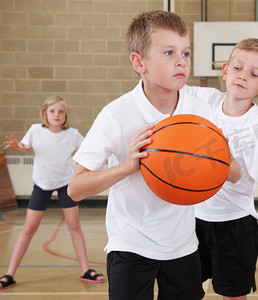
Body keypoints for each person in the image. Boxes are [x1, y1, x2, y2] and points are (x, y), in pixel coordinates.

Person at [67, 11, 240, 300]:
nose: (181, 61)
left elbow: (234, 175)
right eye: (169, 52)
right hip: (130, 244)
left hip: (183, 246)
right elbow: (74, 189)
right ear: (139, 62)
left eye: (185, 52)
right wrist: (127, 166)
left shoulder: (200, 112)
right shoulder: (116, 114)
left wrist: (221, 155)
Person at [183, 38, 258, 300]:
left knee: (233, 295)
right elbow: (172, 88)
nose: (242, 76)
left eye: (254, 73)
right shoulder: (204, 100)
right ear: (225, 70)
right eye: (238, 68)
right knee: (185, 290)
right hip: (194, 219)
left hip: (235, 225)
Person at [0, 95, 105, 291]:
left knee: (74, 226)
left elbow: (90, 148)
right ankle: (9, 275)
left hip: (66, 183)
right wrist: (18, 146)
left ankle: (85, 270)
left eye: (61, 111)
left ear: (66, 116)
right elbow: (24, 146)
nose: (57, 114)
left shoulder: (72, 134)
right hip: (42, 184)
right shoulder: (35, 130)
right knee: (29, 229)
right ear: (44, 114)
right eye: (52, 111)